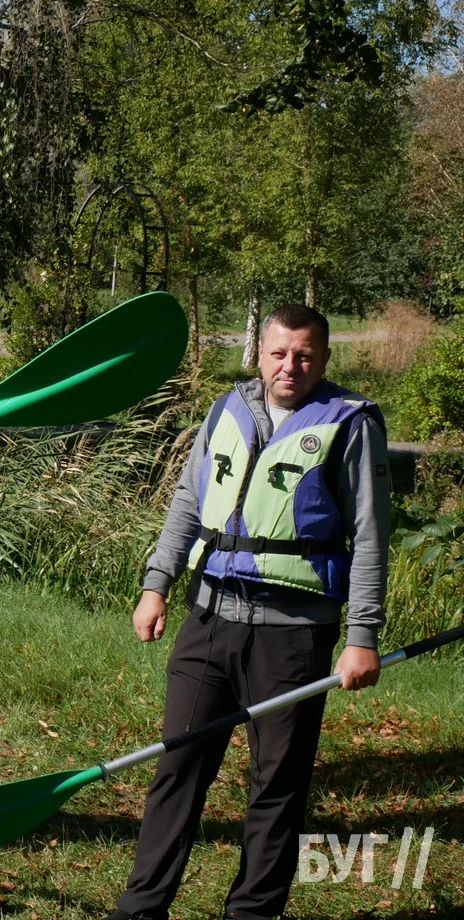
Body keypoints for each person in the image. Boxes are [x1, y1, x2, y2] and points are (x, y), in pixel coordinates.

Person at [106, 304, 391, 920]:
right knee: (178, 767)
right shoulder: (226, 409)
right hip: (209, 620)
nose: (291, 366)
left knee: (276, 785)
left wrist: (362, 635)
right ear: (259, 354)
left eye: (305, 355)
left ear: (324, 359)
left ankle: (252, 914)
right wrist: (157, 584)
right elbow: (188, 501)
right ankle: (140, 909)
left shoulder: (350, 423)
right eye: (279, 353)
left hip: (294, 634)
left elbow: (370, 535)